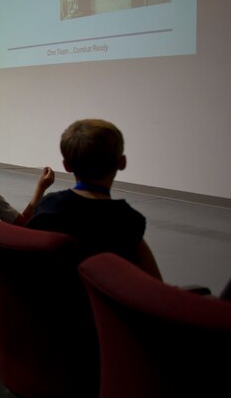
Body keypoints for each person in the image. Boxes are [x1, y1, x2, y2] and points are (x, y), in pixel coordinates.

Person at [27, 119, 163, 280]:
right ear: (122, 162)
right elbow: (155, 284)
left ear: (66, 166)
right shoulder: (128, 220)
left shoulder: (48, 205)